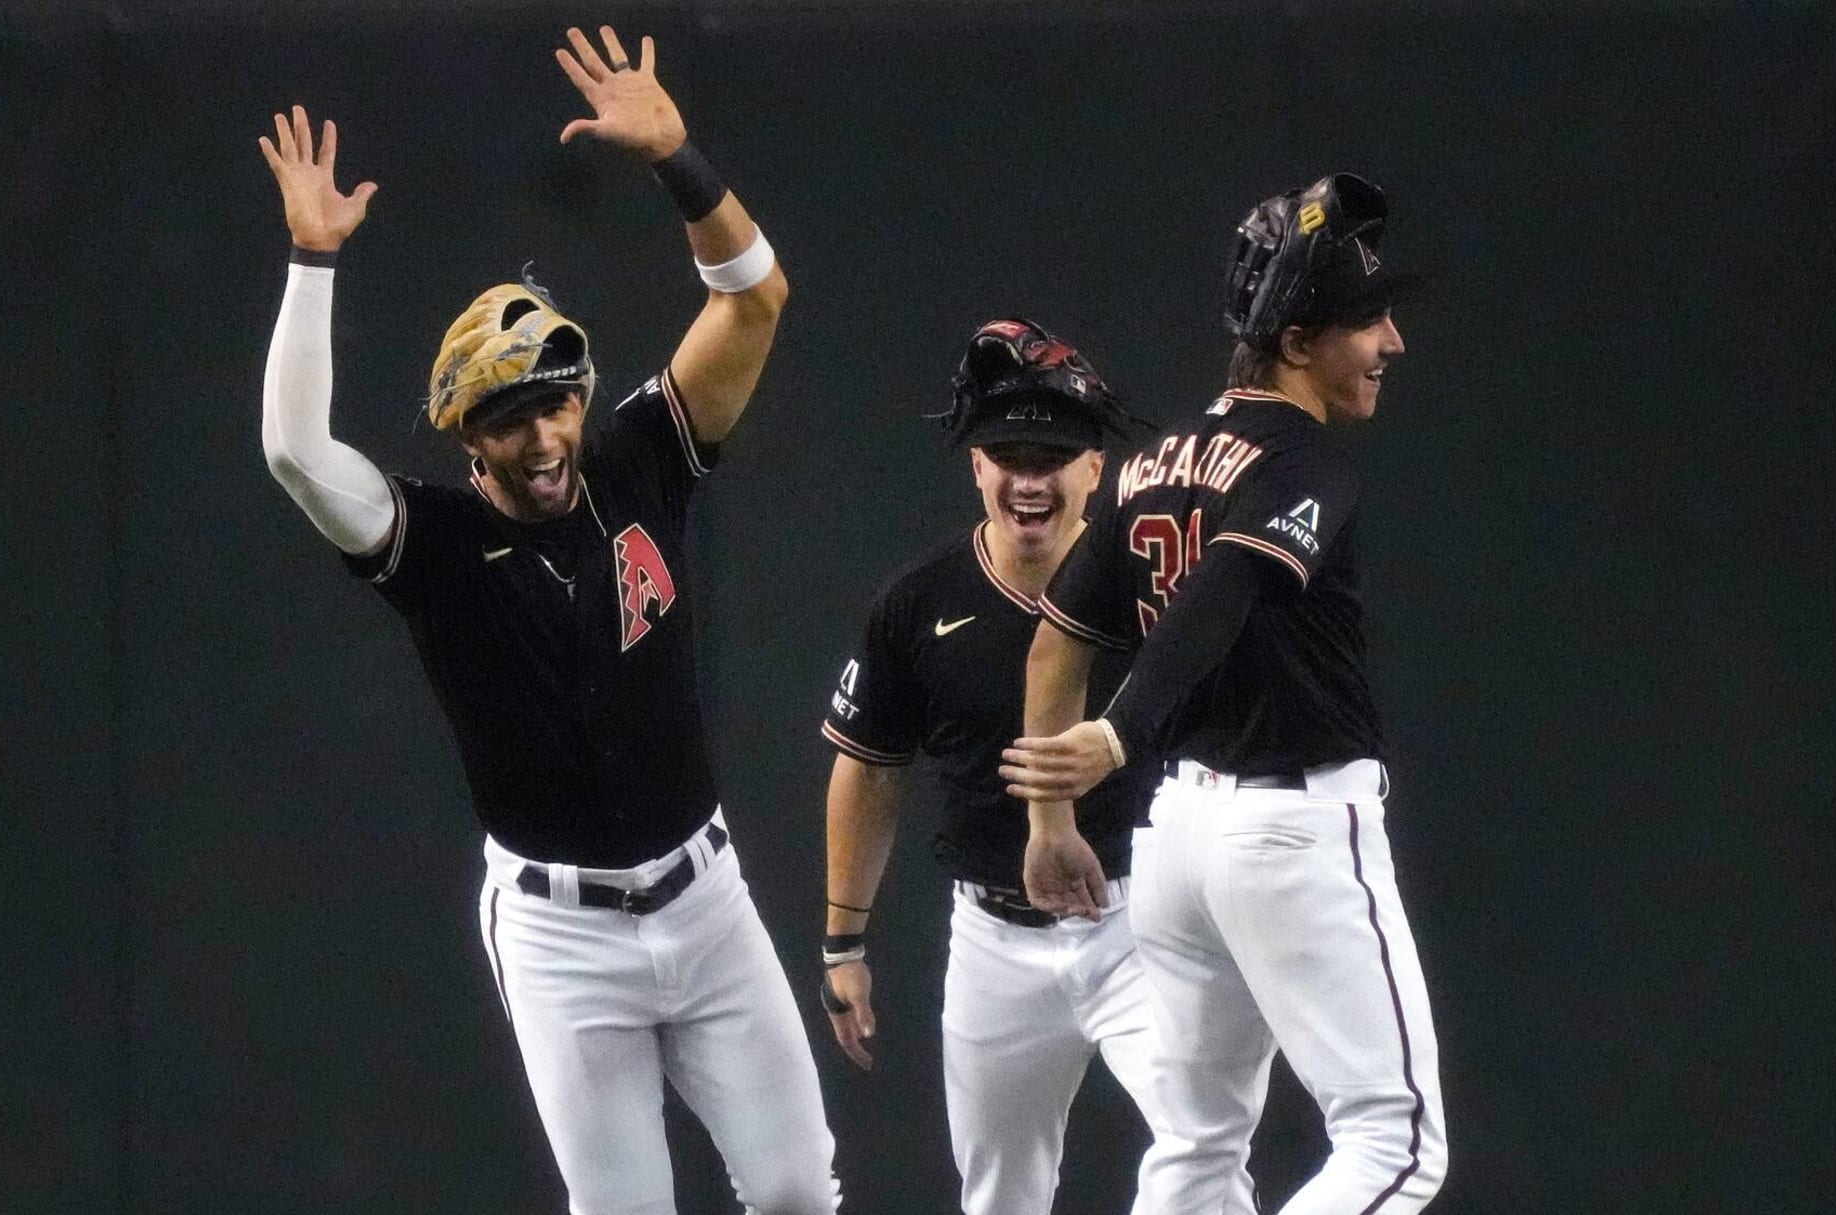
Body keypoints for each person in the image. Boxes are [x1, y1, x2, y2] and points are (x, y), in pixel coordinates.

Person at [255, 26, 836, 1214]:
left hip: (706, 898)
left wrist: (681, 160)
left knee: (795, 1193)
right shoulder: (436, 545)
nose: (542, 438)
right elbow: (294, 451)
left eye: (553, 405)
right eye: (509, 419)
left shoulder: (633, 459)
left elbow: (757, 299)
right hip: (561, 934)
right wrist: (313, 262)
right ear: (468, 437)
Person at [998, 173, 1449, 1214]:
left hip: (1178, 843)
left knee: (1197, 1149)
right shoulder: (1305, 457)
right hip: (1290, 830)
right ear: (1296, 341)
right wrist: (1117, 737)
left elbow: (1056, 643)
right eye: (1367, 320)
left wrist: (1049, 821)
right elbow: (1226, 588)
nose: (1392, 343)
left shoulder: (1153, 462)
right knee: (1396, 1145)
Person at [819, 320, 1232, 1214]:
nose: (1030, 477)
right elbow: (869, 767)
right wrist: (844, 938)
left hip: (1144, 920)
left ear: (1097, 468)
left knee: (1205, 1149)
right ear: (974, 465)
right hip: (996, 938)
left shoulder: (1161, 582)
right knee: (1000, 1195)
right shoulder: (919, 601)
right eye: (1006, 451)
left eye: (1055, 452)